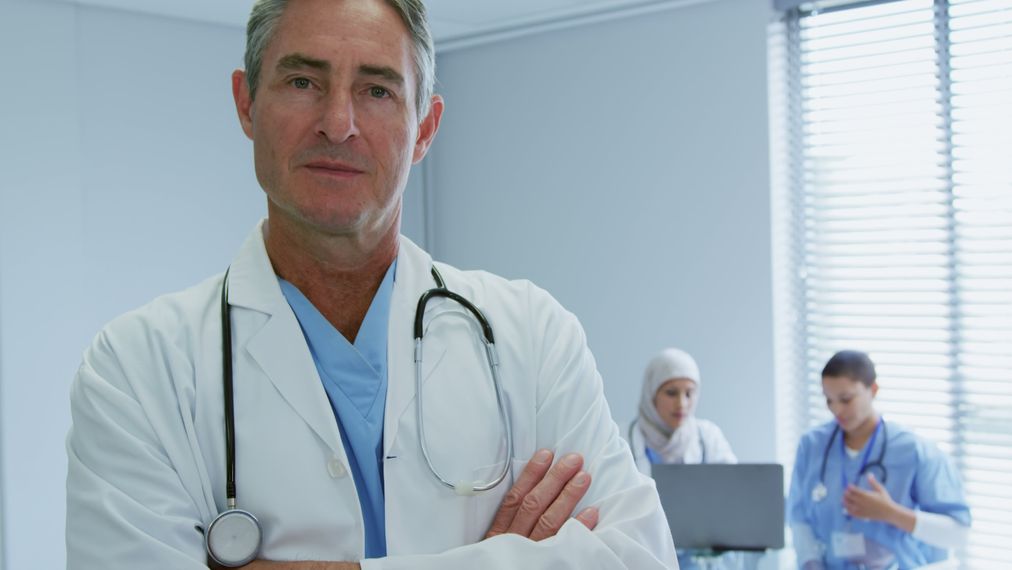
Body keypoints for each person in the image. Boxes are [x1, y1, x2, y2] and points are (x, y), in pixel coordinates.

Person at [64, 0, 678, 568]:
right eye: (302, 82)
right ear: (246, 103)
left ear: (425, 128)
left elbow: (639, 555)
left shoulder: (534, 338)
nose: (338, 123)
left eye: (377, 90)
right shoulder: (137, 370)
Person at [787, 350, 971, 570]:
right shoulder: (812, 446)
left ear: (872, 390)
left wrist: (892, 514)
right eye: (829, 401)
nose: (837, 410)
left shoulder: (913, 451)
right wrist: (810, 564)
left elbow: (958, 533)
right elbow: (799, 518)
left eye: (846, 400)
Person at [626, 348, 737, 476]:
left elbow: (732, 487)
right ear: (651, 395)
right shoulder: (621, 439)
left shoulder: (709, 437)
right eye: (671, 393)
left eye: (689, 394)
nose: (681, 404)